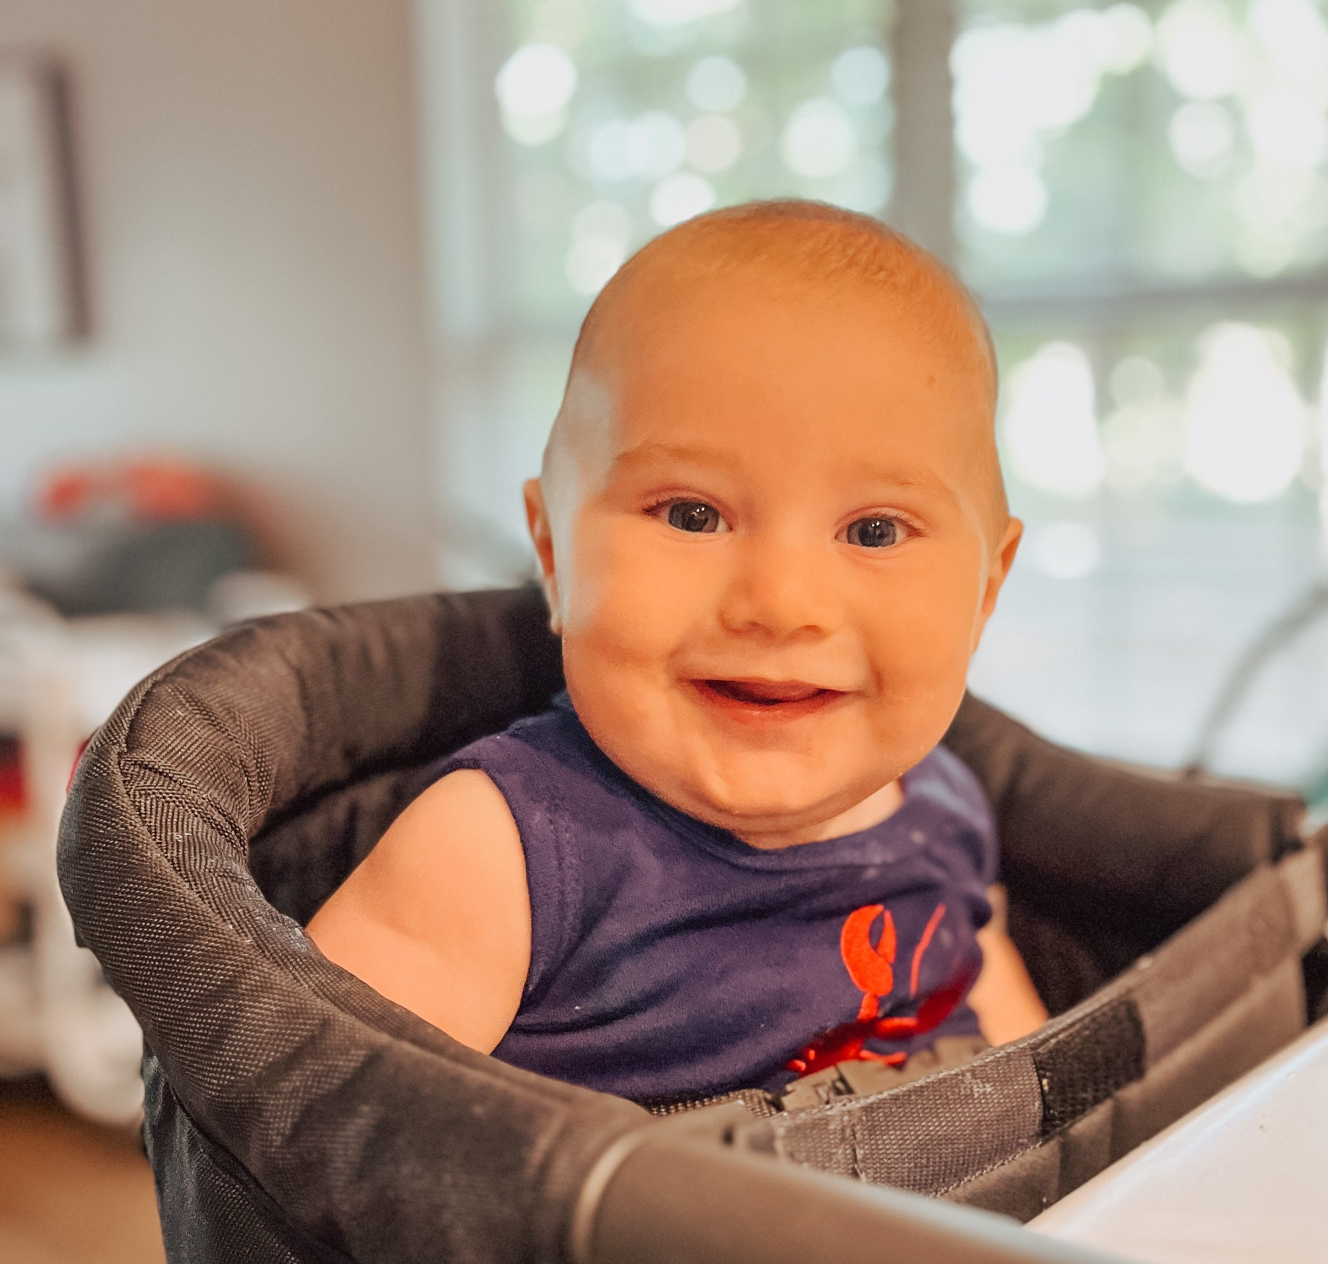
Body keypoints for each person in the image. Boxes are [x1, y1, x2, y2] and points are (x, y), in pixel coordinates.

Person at [308, 201, 1046, 1105]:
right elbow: (319, 1143)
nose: (781, 604)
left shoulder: (946, 805)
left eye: (876, 529)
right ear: (553, 554)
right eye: (692, 514)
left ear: (986, 588)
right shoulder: (496, 853)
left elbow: (1017, 1048)